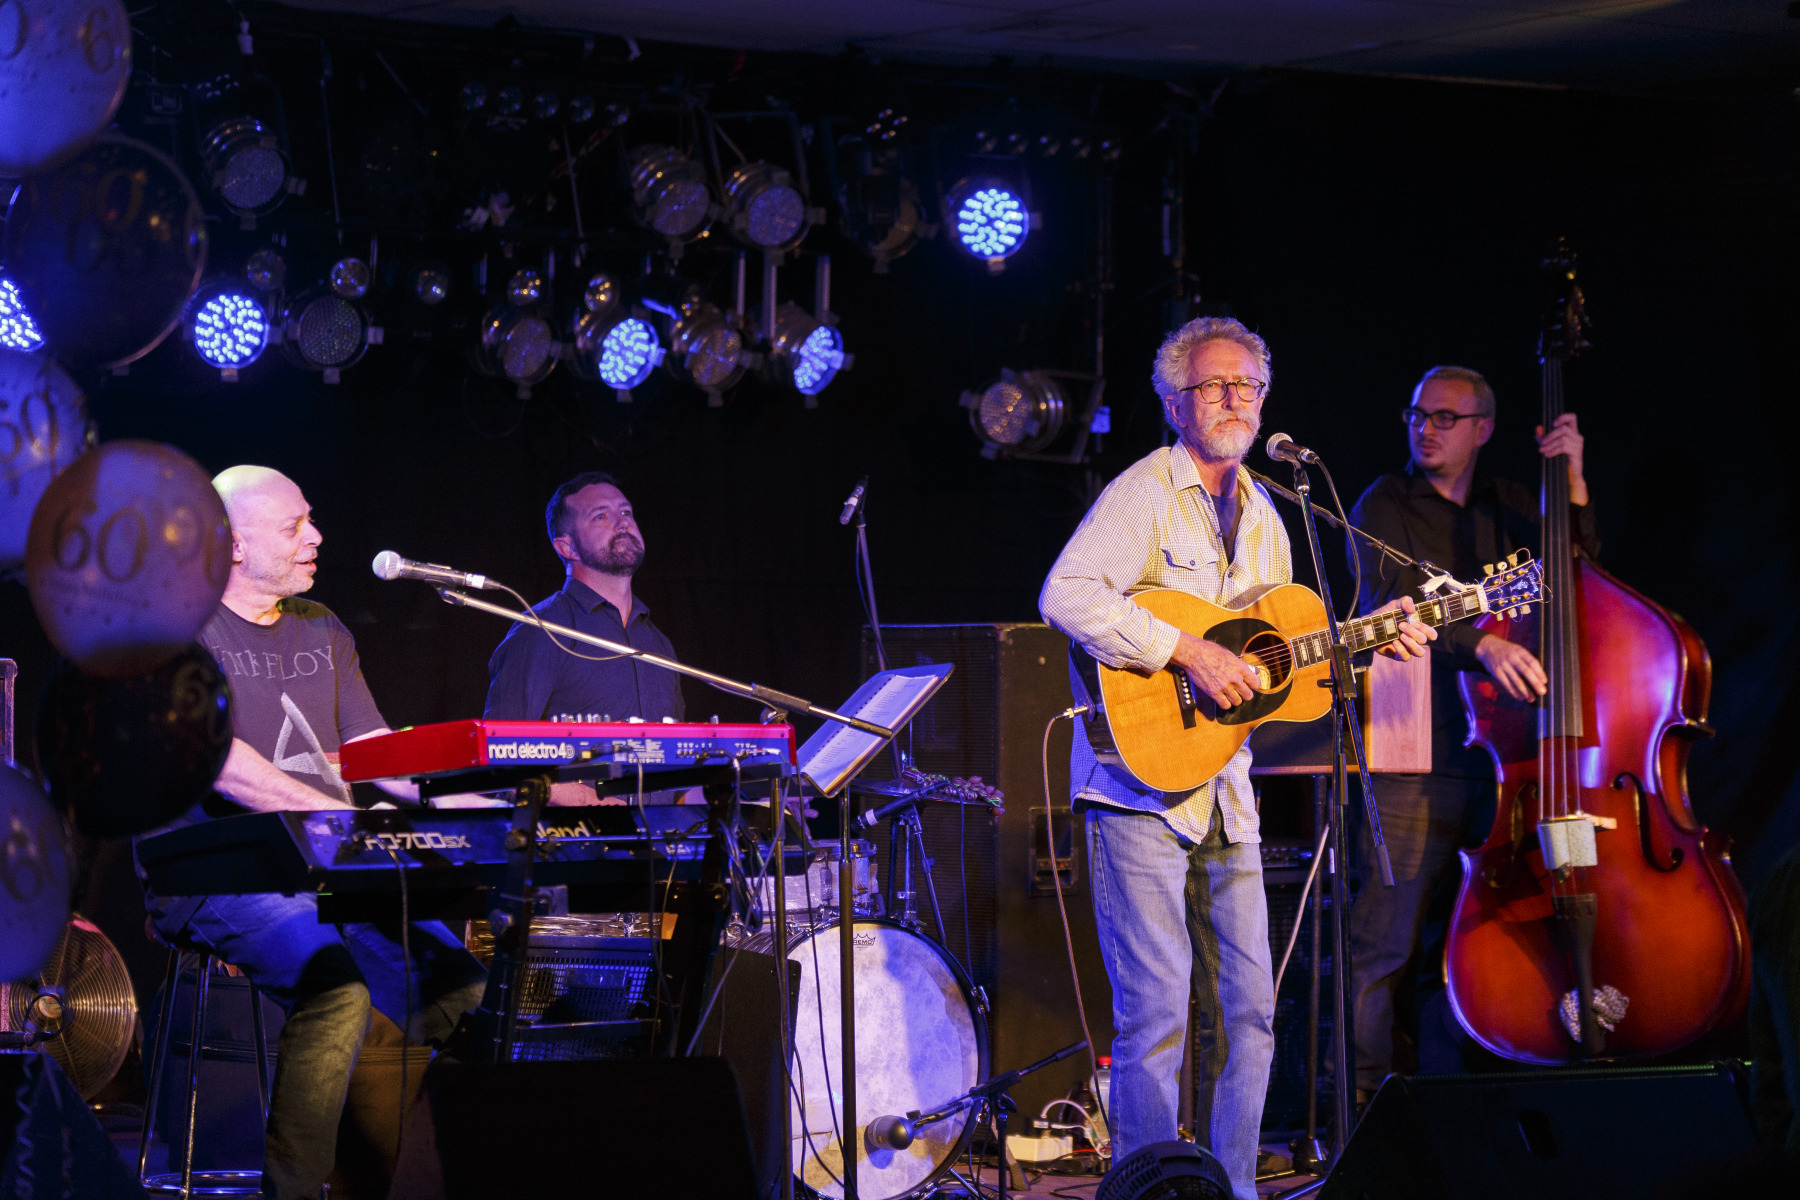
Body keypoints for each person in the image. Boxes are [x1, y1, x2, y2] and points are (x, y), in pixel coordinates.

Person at [1040, 317, 1432, 1198]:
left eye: (1248, 387)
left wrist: (1366, 647)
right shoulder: (1146, 490)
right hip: (1135, 789)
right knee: (1155, 1013)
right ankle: (1149, 1190)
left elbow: (1278, 671)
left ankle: (1231, 1189)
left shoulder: (1268, 510)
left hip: (1227, 791)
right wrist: (1185, 651)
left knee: (1252, 1011)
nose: (1234, 402)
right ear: (1175, 401)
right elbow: (1065, 592)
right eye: (1215, 387)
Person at [136, 466, 487, 1200]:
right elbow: (223, 767)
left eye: (313, 520)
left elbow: (374, 753)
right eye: (295, 525)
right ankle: (294, 1193)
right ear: (232, 544)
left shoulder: (323, 626)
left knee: (462, 987)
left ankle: (403, 1176)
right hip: (214, 872)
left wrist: (479, 805)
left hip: (328, 867)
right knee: (337, 989)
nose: (317, 536)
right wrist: (339, 821)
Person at [1343, 365, 1598, 1100]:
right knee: (1383, 948)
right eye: (1417, 413)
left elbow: (1577, 579)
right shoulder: (1384, 503)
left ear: (1483, 429)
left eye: (1445, 417)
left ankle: (1464, 1106)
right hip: (1412, 755)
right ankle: (1364, 1119)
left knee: (1472, 950)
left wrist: (1572, 482)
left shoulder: (1515, 508)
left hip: (1508, 763)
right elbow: (1388, 606)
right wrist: (1482, 643)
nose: (1425, 427)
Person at [484, 471, 686, 803]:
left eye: (625, 512)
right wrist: (586, 799)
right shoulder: (542, 630)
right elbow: (499, 764)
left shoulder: (657, 643)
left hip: (661, 849)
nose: (621, 523)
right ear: (567, 546)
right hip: (575, 845)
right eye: (601, 516)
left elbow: (676, 774)